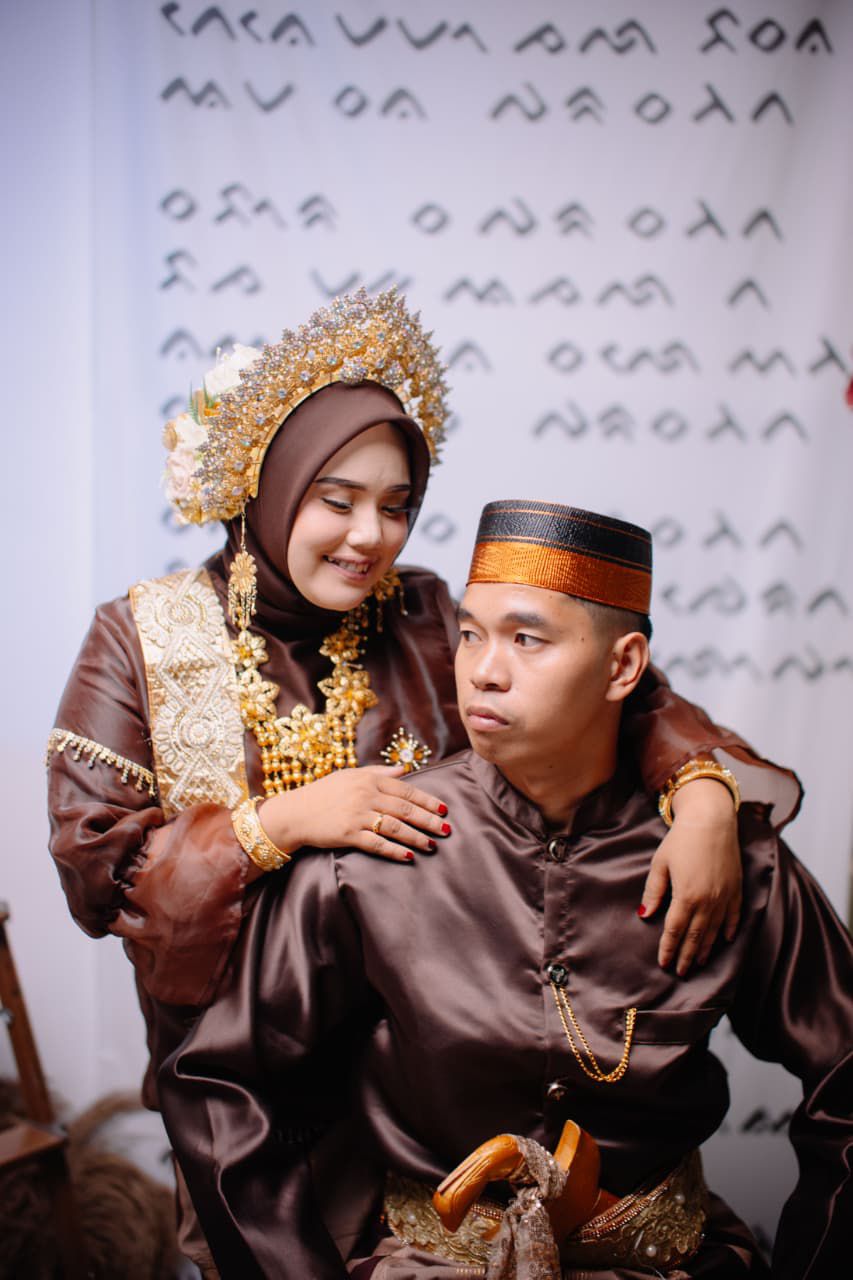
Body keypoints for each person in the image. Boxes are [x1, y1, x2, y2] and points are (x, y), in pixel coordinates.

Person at [160, 499, 853, 1279]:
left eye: (527, 639)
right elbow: (220, 1081)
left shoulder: (723, 858)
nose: (483, 671)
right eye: (469, 635)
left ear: (622, 667)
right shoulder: (378, 844)